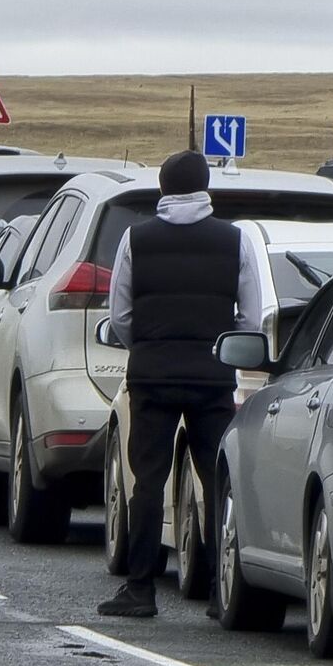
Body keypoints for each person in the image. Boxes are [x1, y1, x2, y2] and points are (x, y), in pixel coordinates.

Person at [97, 150, 243, 618]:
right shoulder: (235, 240)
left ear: (162, 187)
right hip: (212, 377)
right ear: (206, 188)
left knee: (147, 481)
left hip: (152, 375)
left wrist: (143, 343)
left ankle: (141, 589)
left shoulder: (135, 239)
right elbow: (252, 315)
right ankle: (223, 594)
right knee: (219, 482)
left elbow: (118, 314)